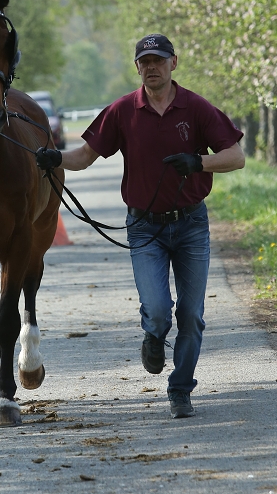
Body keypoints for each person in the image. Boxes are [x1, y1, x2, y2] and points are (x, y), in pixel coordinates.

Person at [36, 33, 245, 418]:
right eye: (144, 62)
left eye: (158, 60)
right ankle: (153, 334)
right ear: (137, 68)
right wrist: (53, 158)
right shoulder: (122, 111)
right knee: (160, 311)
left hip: (191, 225)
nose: (152, 67)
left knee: (192, 315)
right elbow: (83, 157)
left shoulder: (196, 108)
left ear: (173, 63)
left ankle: (180, 390)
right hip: (144, 228)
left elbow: (236, 156)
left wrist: (198, 163)